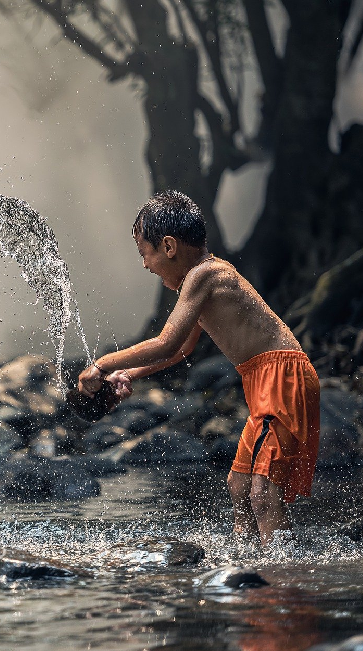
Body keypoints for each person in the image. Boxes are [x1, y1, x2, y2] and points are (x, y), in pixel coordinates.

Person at [77, 191, 320, 546]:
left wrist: (100, 365)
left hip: (281, 378)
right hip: (267, 379)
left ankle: (281, 581)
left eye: (145, 253)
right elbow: (180, 352)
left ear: (169, 246)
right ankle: (247, 564)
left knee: (263, 493)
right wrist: (130, 374)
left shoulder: (205, 275)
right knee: (239, 486)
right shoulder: (202, 280)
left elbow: (166, 342)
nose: (145, 265)